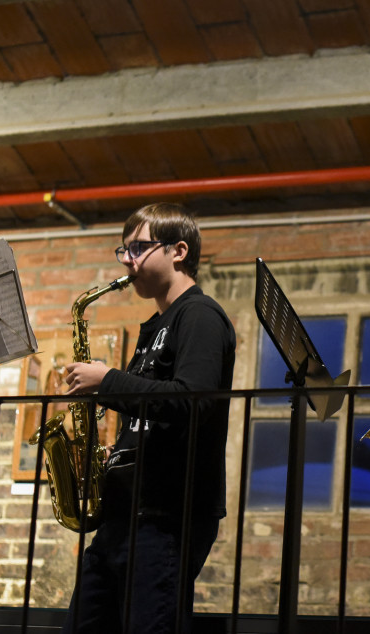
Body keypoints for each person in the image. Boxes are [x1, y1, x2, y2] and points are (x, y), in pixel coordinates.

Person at [61, 202, 236, 634]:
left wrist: (107, 380)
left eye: (138, 248)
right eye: (123, 250)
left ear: (179, 251)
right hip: (125, 514)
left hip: (167, 516)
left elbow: (192, 401)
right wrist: (118, 455)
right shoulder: (155, 325)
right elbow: (151, 414)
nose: (128, 260)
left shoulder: (200, 315)